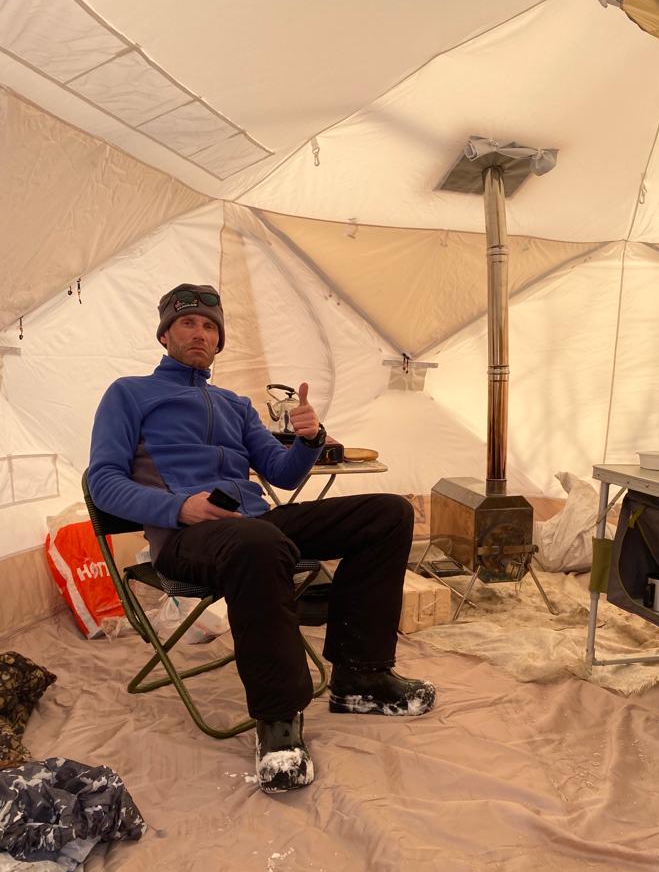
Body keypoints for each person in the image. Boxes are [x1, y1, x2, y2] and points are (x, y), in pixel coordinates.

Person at [88, 284, 435, 794]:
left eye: (210, 326)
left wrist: (309, 439)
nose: (200, 333)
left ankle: (361, 677)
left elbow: (283, 473)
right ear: (164, 335)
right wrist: (179, 507)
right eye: (187, 323)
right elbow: (103, 482)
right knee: (259, 543)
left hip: (256, 526)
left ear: (219, 341)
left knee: (388, 513)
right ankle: (278, 719)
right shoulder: (129, 393)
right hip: (187, 536)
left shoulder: (235, 404)